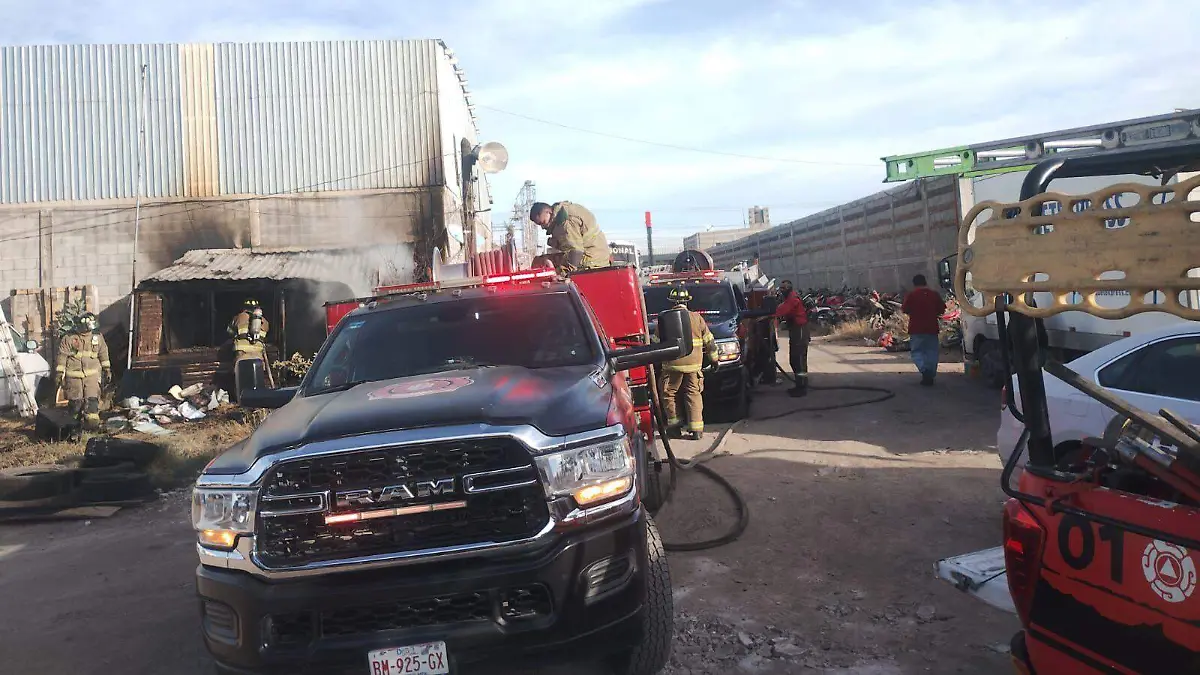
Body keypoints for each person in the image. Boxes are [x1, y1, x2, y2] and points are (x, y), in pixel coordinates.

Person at [658, 286, 718, 440]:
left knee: (669, 394)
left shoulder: (664, 318)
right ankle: (696, 430)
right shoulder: (697, 318)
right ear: (687, 301)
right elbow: (709, 341)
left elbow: (656, 343)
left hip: (672, 366)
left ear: (672, 302)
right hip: (694, 366)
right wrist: (714, 359)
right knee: (693, 394)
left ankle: (674, 427)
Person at [55, 312, 110, 430]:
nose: (90, 330)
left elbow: (103, 353)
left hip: (92, 378)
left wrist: (107, 369)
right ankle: (73, 429)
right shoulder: (69, 338)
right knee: (76, 404)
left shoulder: (97, 337)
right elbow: (62, 356)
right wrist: (59, 373)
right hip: (74, 378)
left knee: (92, 403)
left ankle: (91, 428)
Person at [529, 201, 611, 273]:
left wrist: (562, 274)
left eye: (542, 222)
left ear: (548, 212)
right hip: (594, 254)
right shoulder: (562, 212)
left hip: (591, 260)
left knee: (545, 267)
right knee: (539, 261)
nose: (543, 227)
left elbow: (576, 252)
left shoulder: (565, 222)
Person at [902, 274, 947, 386]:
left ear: (914, 284)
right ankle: (930, 374)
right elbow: (942, 309)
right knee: (931, 352)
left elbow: (905, 309)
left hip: (916, 329)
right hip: (932, 328)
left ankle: (924, 370)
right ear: (925, 282)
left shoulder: (911, 295)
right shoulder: (934, 294)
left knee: (917, 351)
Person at [774, 280, 809, 397]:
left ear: (789, 288)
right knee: (796, 360)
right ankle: (800, 384)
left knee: (798, 360)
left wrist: (770, 312)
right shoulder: (789, 298)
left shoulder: (792, 299)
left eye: (784, 288)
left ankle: (802, 387)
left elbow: (783, 309)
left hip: (799, 331)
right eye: (781, 288)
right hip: (796, 330)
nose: (781, 290)